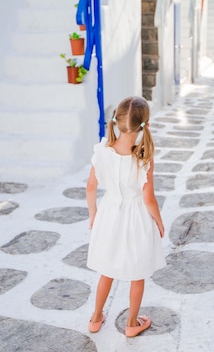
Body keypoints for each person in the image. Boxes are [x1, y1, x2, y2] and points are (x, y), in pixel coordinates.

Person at [86, 96, 166, 338]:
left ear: (117, 121)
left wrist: (93, 216)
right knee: (137, 272)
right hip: (136, 218)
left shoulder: (102, 151)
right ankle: (132, 323)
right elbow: (149, 199)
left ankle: (96, 317)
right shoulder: (143, 157)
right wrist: (159, 223)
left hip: (110, 213)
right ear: (145, 125)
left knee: (107, 270)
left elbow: (90, 188)